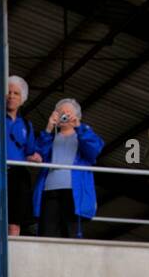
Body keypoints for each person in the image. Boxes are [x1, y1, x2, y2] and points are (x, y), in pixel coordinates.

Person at [31, 98, 104, 239]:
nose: (64, 116)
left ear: (77, 116)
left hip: (74, 191)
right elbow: (37, 153)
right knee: (47, 232)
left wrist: (79, 126)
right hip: (49, 189)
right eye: (61, 113)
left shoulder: (83, 135)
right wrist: (48, 128)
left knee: (70, 232)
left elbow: (94, 150)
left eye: (68, 113)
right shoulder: (50, 138)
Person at [6, 75, 43, 235]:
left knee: (15, 222)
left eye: (16, 93)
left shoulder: (27, 125)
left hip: (18, 174)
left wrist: (35, 157)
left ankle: (12, 252)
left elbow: (29, 151)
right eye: (8, 92)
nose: (12, 96)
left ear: (22, 99)